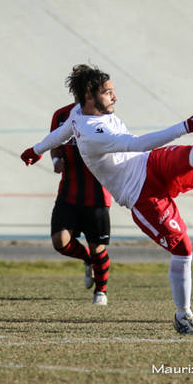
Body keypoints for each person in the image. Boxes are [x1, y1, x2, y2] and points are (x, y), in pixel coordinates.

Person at [21, 64, 193, 335]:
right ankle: (183, 315)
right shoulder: (94, 133)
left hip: (149, 164)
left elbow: (63, 132)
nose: (115, 97)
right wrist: (185, 126)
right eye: (108, 93)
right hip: (141, 194)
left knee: (192, 155)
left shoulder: (76, 113)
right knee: (183, 250)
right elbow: (138, 143)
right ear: (89, 95)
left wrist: (36, 149)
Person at [49, 103, 112, 305]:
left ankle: (101, 291)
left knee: (98, 249)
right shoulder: (61, 115)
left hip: (98, 195)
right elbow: (54, 145)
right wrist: (56, 160)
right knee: (60, 241)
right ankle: (87, 260)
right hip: (68, 193)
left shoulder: (104, 116)